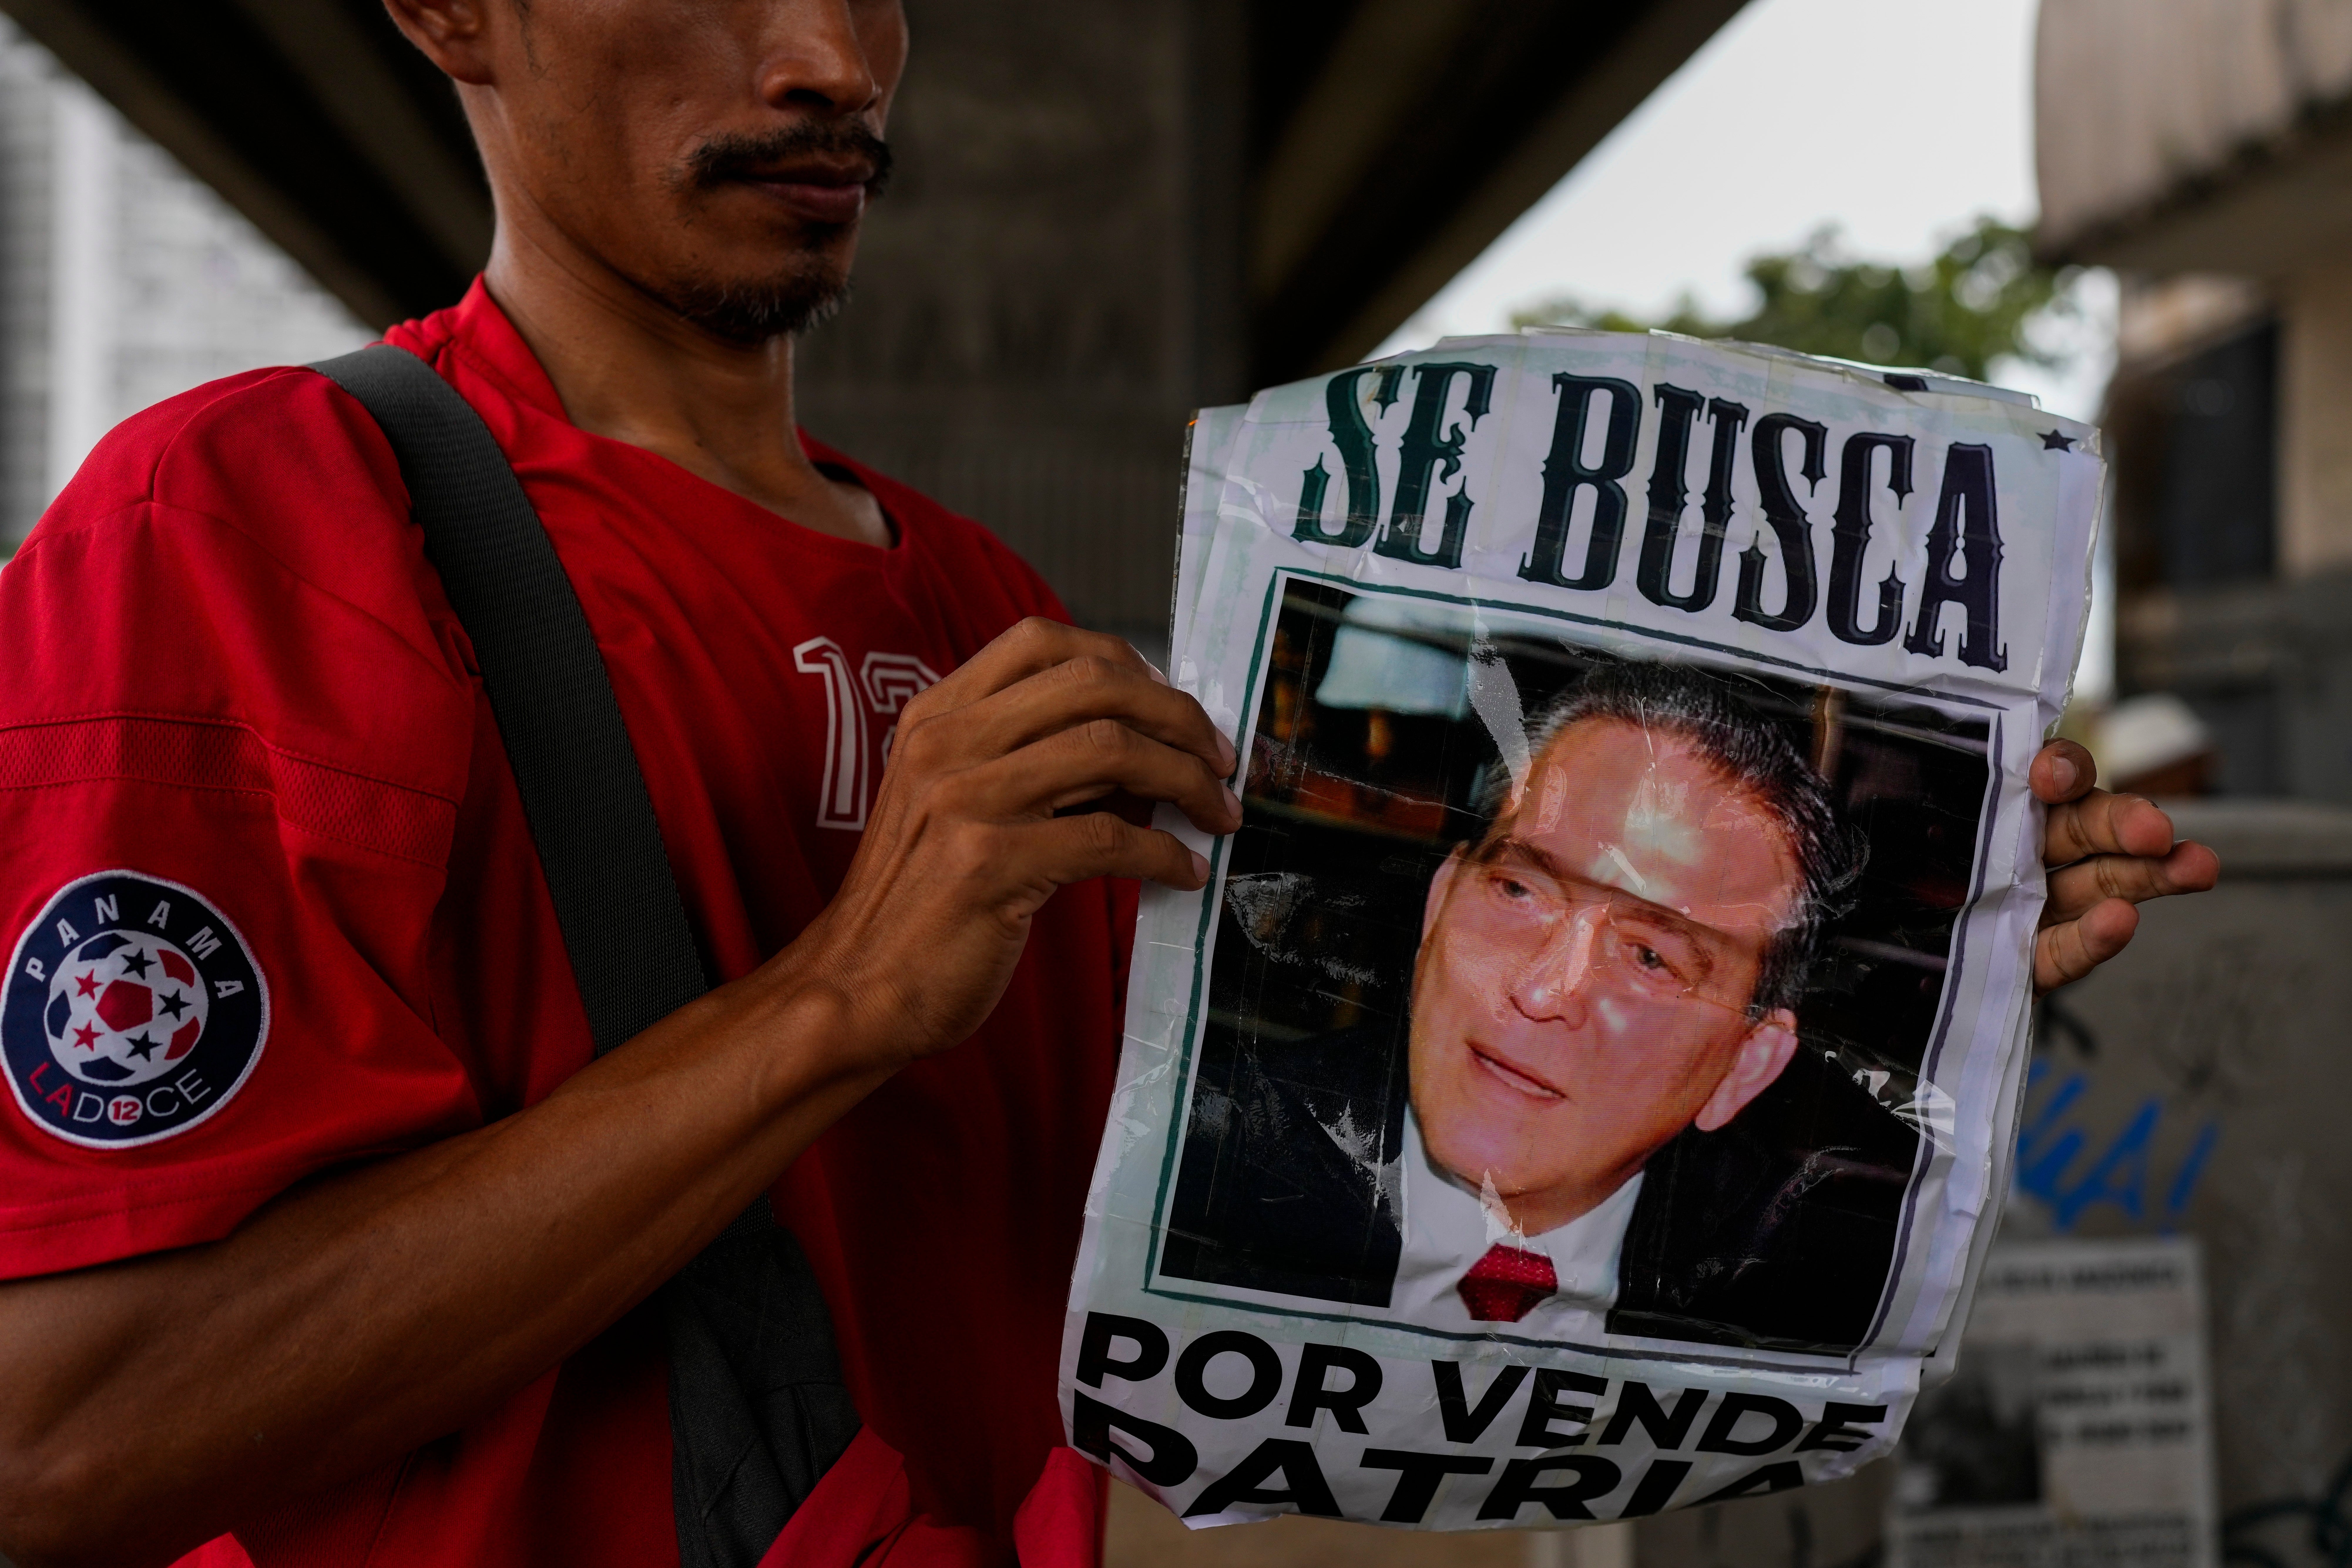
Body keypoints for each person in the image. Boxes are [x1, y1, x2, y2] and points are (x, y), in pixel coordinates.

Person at [0, 2, 2216, 1565]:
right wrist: (834, 1003)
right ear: (447, 8)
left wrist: (1897, 985)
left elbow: (1295, 1324)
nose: (829, 60)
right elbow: (61, 1447)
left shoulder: (987, 619)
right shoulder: (251, 534)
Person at [1163, 661, 2201, 1354]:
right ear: (1441, 902)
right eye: (1520, 889)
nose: (1542, 991)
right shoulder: (1199, 1161)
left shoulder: (1821, 1275)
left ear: (1748, 1064)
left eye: (1653, 957)